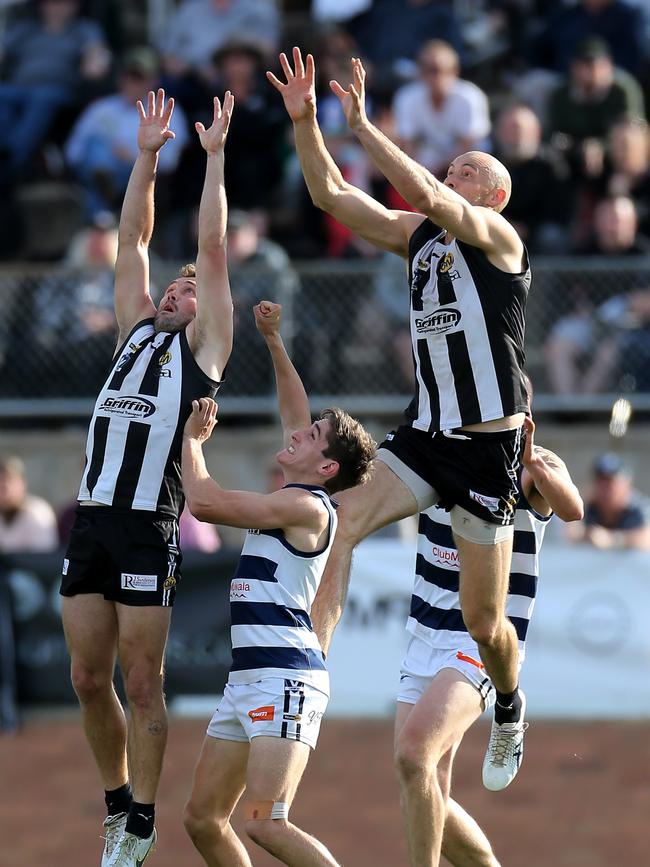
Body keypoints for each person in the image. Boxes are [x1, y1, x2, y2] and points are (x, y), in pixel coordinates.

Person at [268, 48, 531, 794]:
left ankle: (508, 703)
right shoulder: (421, 241)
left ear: (498, 195)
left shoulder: (499, 242)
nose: (452, 180)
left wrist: (361, 124)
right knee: (340, 522)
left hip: (487, 451)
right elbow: (329, 194)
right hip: (427, 435)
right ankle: (312, 665)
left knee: (485, 624)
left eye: (468, 172)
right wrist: (306, 122)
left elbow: (423, 193)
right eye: (450, 170)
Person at [59, 87, 235, 867]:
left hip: (149, 522)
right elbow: (134, 238)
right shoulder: (134, 332)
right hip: (93, 515)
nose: (174, 288)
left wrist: (216, 158)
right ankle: (114, 802)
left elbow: (215, 244)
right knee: (87, 676)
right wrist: (147, 158)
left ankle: (142, 819)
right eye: (174, 284)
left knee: (142, 680)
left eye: (188, 287)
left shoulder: (203, 353)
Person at [181, 300, 376, 867]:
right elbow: (295, 413)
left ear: (327, 468)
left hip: (283, 676)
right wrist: (272, 340)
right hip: (251, 677)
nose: (297, 434)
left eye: (312, 436)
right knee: (202, 818)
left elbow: (204, 502)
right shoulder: (305, 493)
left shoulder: (304, 506)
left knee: (267, 823)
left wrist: (193, 440)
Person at [394, 403, 584, 866]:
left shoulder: (536, 468)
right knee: (425, 782)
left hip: (483, 639)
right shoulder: (428, 455)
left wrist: (532, 459)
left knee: (414, 754)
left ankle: (509, 704)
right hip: (424, 631)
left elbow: (573, 510)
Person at [567, 453, 650, 550]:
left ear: (626, 485)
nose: (605, 489)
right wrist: (577, 501)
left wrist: (612, 540)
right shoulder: (588, 505)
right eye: (601, 482)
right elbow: (569, 537)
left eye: (611, 483)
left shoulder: (638, 508)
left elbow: (647, 539)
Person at [0, 456, 58, 553]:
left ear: (23, 484)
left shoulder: (38, 512)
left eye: (9, 482)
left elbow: (43, 557)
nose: (6, 490)